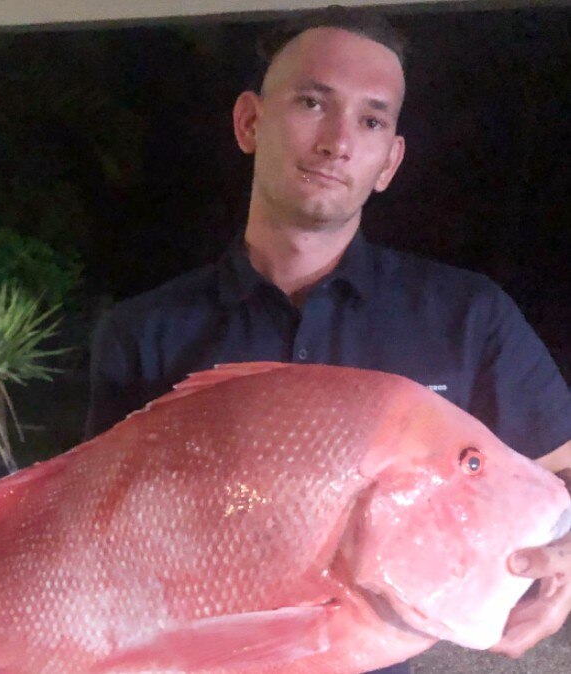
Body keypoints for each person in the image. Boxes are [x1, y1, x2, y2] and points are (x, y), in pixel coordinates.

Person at [85, 7, 571, 674]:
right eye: (313, 102)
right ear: (249, 122)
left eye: (371, 120)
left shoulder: (469, 316)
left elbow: (563, 468)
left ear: (390, 160)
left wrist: (565, 560)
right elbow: (90, 525)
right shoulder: (145, 333)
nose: (339, 141)